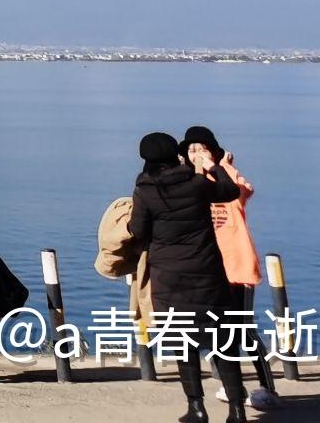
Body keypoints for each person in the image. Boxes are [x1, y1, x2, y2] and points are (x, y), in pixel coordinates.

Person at [128, 131, 247, 423]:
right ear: (175, 155)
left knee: (184, 344)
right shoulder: (196, 184)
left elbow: (138, 231)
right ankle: (237, 410)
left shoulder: (145, 192)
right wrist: (212, 167)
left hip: (170, 279)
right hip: (207, 275)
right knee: (222, 341)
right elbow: (230, 191)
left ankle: (196, 408)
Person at [183, 126, 277, 413]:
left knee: (243, 330)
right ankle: (232, 384)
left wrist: (221, 166)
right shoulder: (192, 185)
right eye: (191, 150)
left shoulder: (227, 180)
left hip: (237, 267)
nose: (197, 154)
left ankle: (267, 388)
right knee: (214, 330)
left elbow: (244, 191)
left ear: (214, 150)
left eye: (202, 148)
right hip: (208, 271)